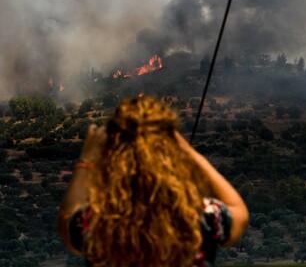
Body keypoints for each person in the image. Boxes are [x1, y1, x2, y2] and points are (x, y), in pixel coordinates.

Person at [57, 96, 249, 266]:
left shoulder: (99, 222)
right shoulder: (198, 217)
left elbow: (67, 218)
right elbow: (239, 211)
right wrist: (187, 151)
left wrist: (88, 158)